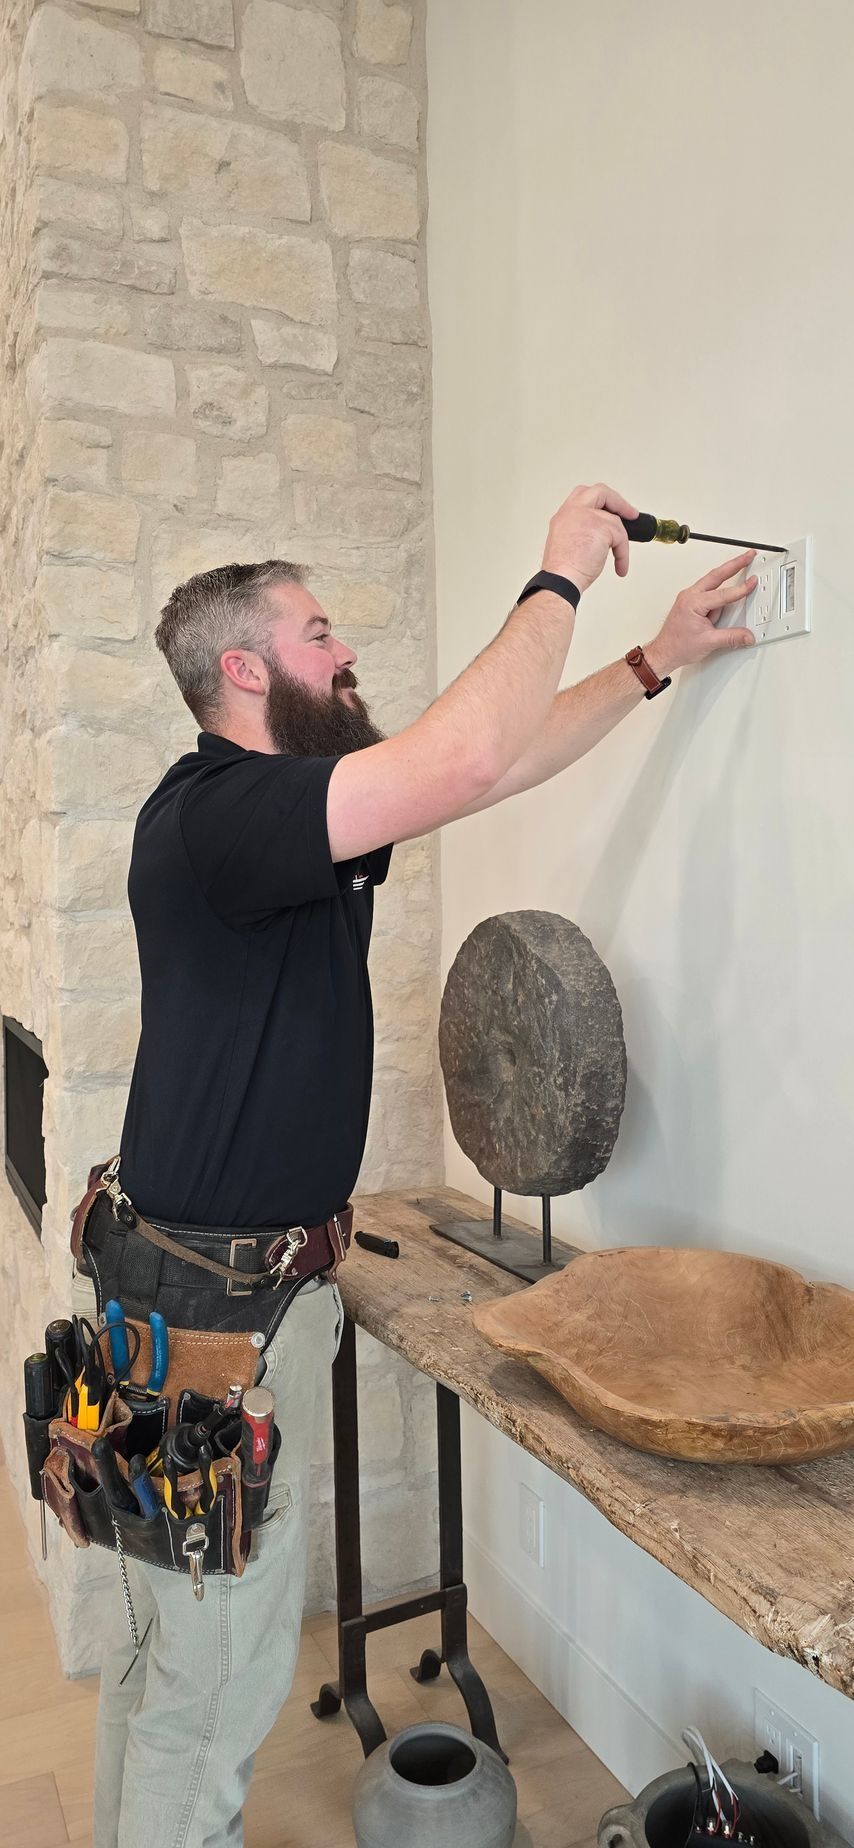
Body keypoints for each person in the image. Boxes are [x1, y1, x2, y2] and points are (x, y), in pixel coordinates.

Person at [71, 482, 756, 1847]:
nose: (348, 653)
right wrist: (557, 575)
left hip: (186, 1299)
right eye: (321, 632)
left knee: (169, 1661)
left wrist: (647, 661)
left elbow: (486, 761)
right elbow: (453, 759)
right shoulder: (228, 810)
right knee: (208, 1692)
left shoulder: (266, 822)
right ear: (248, 668)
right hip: (208, 1325)